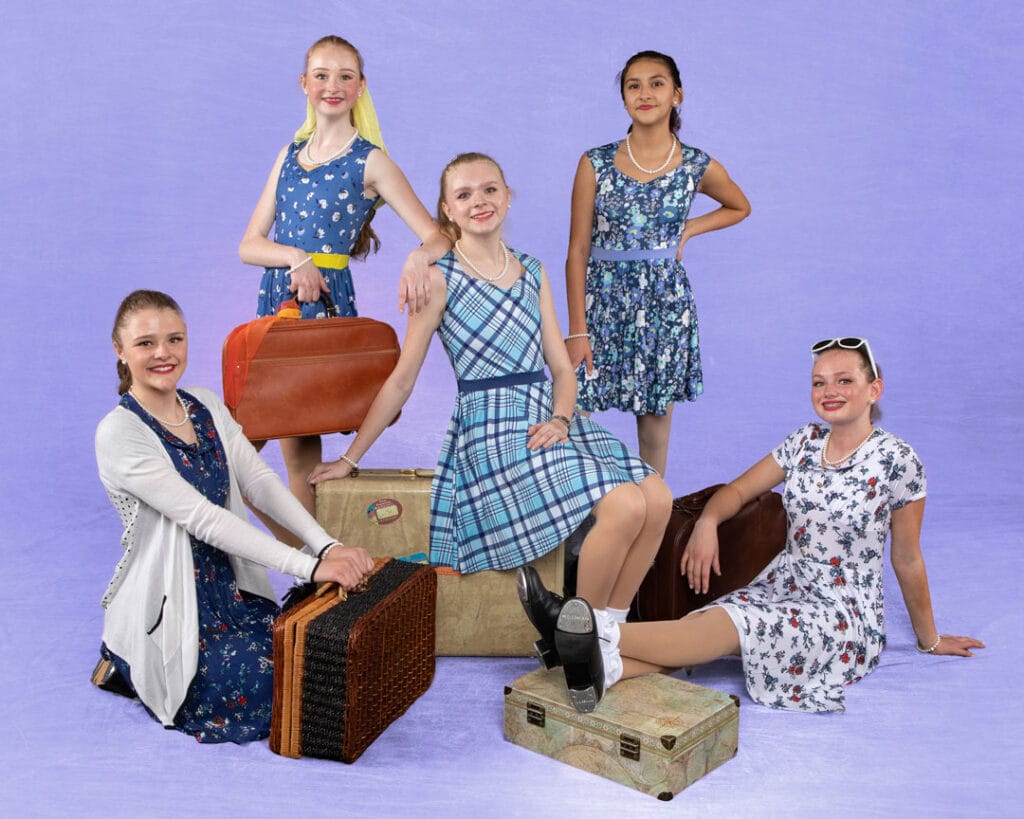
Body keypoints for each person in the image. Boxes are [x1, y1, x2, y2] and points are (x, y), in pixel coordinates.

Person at [309, 153, 673, 710]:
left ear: (508, 196)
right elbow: (402, 380)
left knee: (659, 497)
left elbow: (560, 368)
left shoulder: (532, 270)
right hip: (494, 430)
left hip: (549, 418)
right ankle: (583, 636)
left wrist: (560, 418)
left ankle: (603, 641)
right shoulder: (437, 277)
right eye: (462, 194)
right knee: (624, 505)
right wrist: (351, 456)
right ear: (447, 209)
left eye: (489, 189)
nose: (478, 201)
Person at [524, 337, 985, 713]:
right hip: (783, 583)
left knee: (731, 626)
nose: (831, 390)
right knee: (699, 635)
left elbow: (906, 557)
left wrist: (931, 640)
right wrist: (707, 522)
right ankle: (592, 666)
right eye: (819, 382)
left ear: (874, 389)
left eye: (845, 380)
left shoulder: (898, 461)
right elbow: (737, 492)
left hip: (842, 615)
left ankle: (578, 631)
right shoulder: (804, 442)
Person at [95, 290, 374, 743]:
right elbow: (203, 519)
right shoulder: (119, 432)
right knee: (277, 686)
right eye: (145, 343)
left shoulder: (204, 404)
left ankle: (129, 662)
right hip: (171, 604)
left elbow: (259, 482)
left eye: (174, 339)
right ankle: (126, 657)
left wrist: (326, 546)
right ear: (119, 351)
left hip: (231, 591)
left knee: (318, 663)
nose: (163, 353)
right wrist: (310, 567)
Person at [239, 35, 449, 520]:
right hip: (276, 308)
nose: (332, 85)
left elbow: (437, 237)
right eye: (321, 75)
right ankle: (307, 566)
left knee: (302, 462)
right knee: (245, 450)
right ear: (304, 83)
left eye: (345, 76)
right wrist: (295, 257)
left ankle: (316, 576)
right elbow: (249, 245)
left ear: (360, 87)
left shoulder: (370, 160)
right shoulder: (288, 154)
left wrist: (418, 259)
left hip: (321, 310)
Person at [565, 50, 750, 477]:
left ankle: (652, 520)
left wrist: (690, 229)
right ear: (624, 98)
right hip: (603, 300)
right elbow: (577, 250)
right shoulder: (595, 163)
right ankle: (577, 528)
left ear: (676, 95)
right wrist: (578, 329)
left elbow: (739, 206)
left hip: (664, 301)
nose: (645, 93)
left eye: (656, 83)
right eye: (634, 85)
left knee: (654, 417)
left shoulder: (695, 165)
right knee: (573, 411)